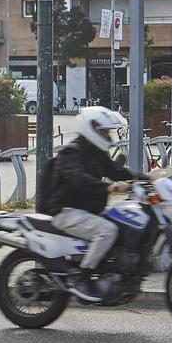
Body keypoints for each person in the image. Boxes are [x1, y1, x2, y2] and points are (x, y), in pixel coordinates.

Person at [39, 106, 135, 302]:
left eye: (108, 132)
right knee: (107, 230)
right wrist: (108, 188)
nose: (108, 136)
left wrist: (143, 178)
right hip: (65, 212)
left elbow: (117, 172)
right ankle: (82, 279)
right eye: (104, 132)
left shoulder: (96, 152)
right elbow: (78, 178)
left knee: (120, 222)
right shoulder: (71, 153)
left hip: (85, 211)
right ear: (92, 129)